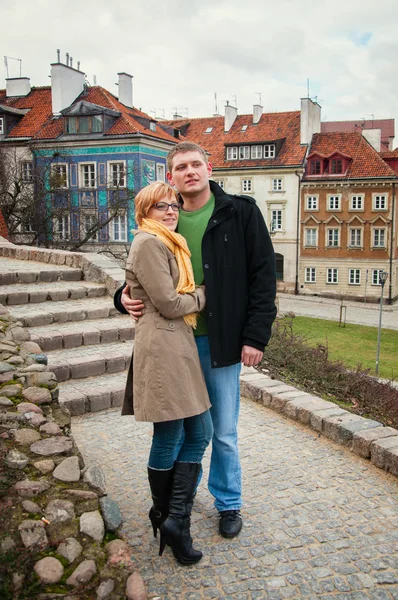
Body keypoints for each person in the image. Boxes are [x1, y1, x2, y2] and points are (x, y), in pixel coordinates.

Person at [114, 142, 277, 539]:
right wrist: (120, 297)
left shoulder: (239, 211)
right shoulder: (164, 220)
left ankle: (228, 502)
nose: (190, 172)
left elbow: (262, 276)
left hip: (220, 342)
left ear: (209, 168)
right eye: (181, 166)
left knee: (222, 430)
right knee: (185, 430)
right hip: (176, 345)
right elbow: (147, 276)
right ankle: (176, 511)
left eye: (196, 164)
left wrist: (255, 335)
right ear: (171, 175)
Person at [122, 181, 213, 565]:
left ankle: (172, 517)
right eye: (161, 206)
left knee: (199, 431)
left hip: (178, 346)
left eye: (174, 204)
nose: (171, 210)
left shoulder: (168, 242)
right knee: (171, 432)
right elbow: (170, 302)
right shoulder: (148, 242)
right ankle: (169, 516)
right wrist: (205, 294)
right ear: (145, 211)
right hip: (162, 347)